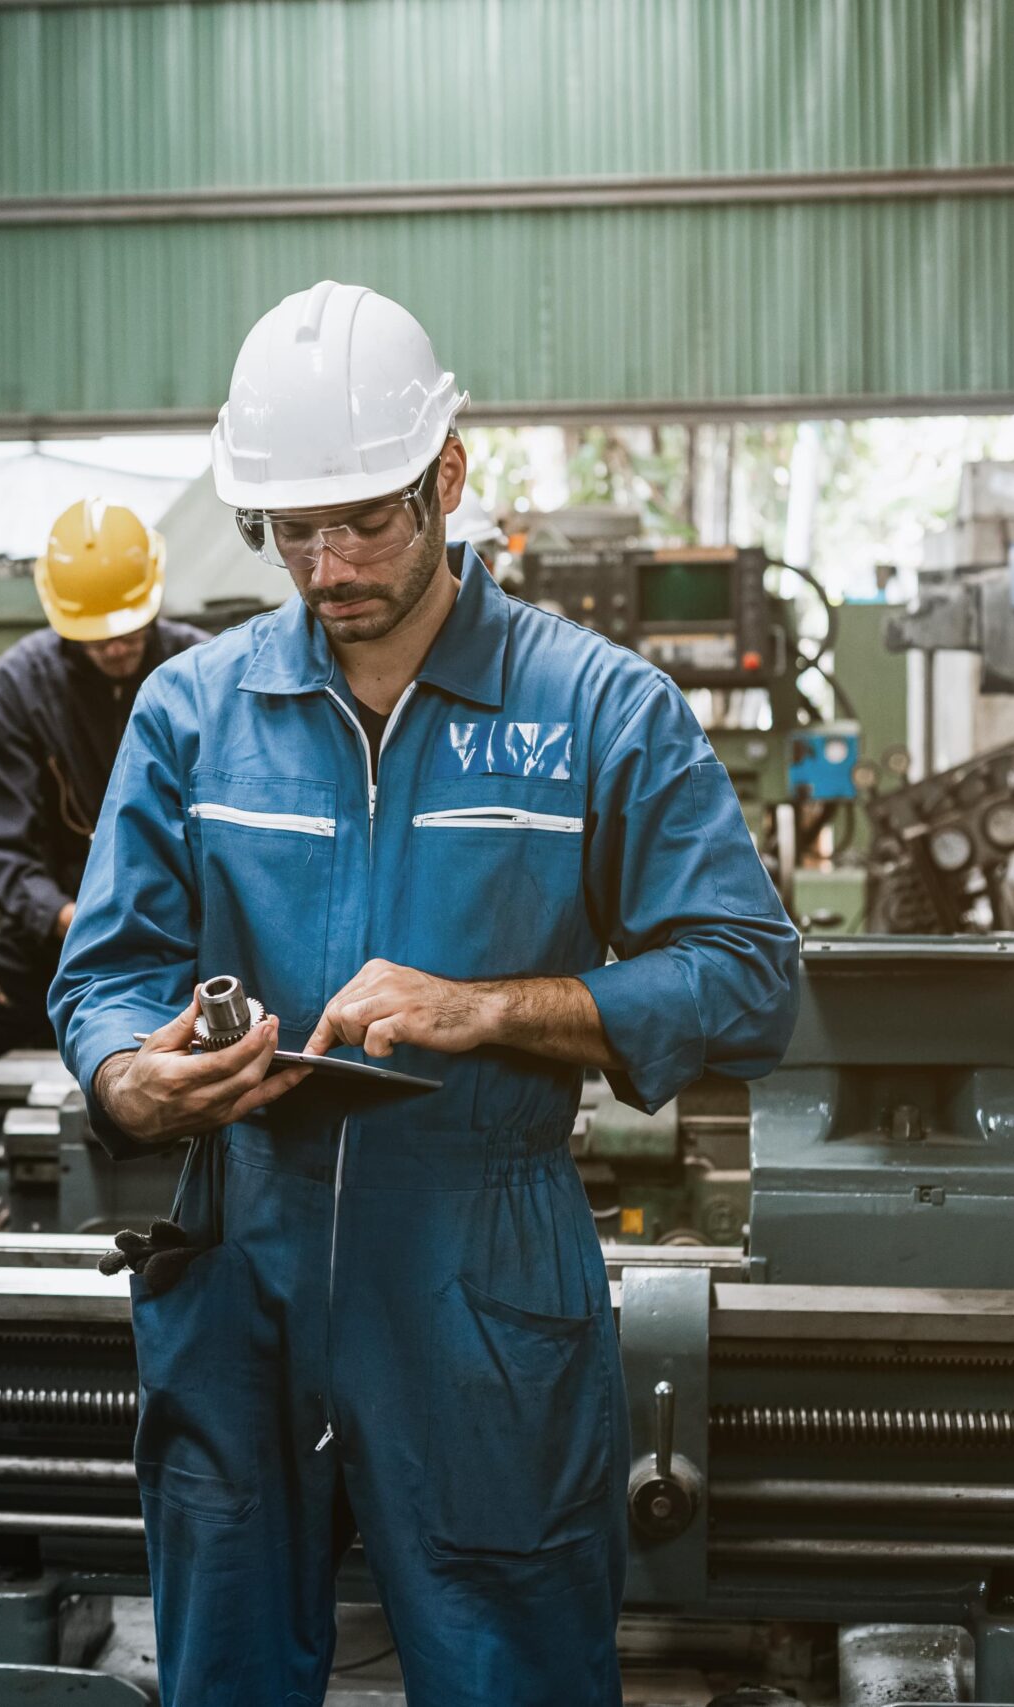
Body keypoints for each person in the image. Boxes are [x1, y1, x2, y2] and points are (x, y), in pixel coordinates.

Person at [48, 281, 799, 1707]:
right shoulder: (192, 712)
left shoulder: (596, 712)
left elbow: (751, 978)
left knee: (507, 1668)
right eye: (292, 529)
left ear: (448, 476)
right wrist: (133, 1076)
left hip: (479, 1281)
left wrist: (495, 1007)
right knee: (223, 1675)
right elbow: (107, 973)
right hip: (233, 1270)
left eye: (368, 519)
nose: (328, 564)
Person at [0, 500, 208, 1089]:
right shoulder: (17, 689)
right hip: (56, 946)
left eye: (128, 628)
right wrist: (72, 918)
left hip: (193, 950)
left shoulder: (204, 671)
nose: (117, 646)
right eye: (97, 636)